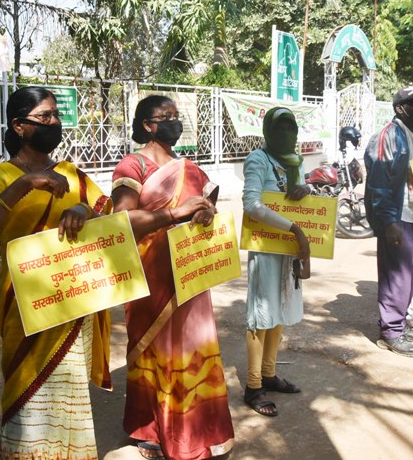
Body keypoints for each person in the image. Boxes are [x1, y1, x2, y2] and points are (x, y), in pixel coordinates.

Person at [0, 86, 112, 460]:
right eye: (45, 116)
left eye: (56, 115)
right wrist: (23, 185)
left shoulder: (72, 174)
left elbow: (108, 213)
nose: (54, 122)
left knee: (69, 394)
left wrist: (84, 211)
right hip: (27, 305)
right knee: (27, 395)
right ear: (19, 126)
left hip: (73, 298)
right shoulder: (1, 175)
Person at [112, 95, 234, 460]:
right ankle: (151, 430)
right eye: (165, 117)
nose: (173, 122)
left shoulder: (189, 168)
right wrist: (175, 214)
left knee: (193, 348)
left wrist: (205, 213)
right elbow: (122, 221)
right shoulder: (132, 165)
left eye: (176, 116)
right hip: (152, 276)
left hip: (190, 272)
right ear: (147, 125)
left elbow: (208, 206)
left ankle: (197, 431)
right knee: (157, 351)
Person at [241, 107, 311, 417]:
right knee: (261, 314)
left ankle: (269, 373)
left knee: (279, 308)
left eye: (290, 128)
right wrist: (293, 228)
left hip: (288, 248)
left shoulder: (296, 162)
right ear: (268, 131)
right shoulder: (258, 159)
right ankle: (254, 385)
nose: (286, 133)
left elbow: (304, 197)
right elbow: (251, 204)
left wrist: (305, 189)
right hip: (266, 246)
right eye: (279, 128)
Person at [364, 87, 413, 358]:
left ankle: (400, 324)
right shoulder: (389, 135)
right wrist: (388, 221)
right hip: (399, 215)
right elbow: (379, 182)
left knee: (409, 275)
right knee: (396, 276)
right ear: (400, 108)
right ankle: (391, 333)